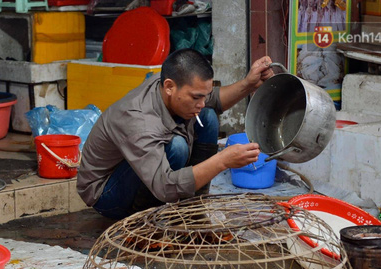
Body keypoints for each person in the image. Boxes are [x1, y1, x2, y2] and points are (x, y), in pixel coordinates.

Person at [76, 49, 274, 219]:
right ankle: (147, 218)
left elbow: (215, 100)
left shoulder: (169, 84)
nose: (202, 101)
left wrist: (249, 83)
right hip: (107, 194)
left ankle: (195, 203)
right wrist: (222, 161)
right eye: (196, 97)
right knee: (177, 147)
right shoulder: (138, 120)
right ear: (169, 87)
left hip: (144, 173)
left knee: (207, 115)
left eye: (204, 95)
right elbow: (164, 186)